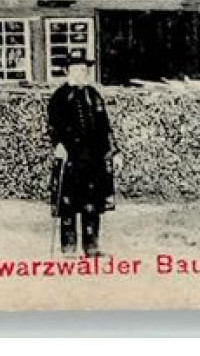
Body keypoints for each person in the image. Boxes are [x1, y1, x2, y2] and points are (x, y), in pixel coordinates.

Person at [47, 53, 121, 256]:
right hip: (71, 157)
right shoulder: (60, 97)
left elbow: (105, 126)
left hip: (93, 158)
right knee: (68, 204)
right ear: (67, 71)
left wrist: (114, 152)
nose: (82, 73)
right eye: (77, 69)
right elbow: (53, 125)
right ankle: (69, 248)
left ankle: (92, 247)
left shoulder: (93, 95)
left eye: (84, 69)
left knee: (92, 204)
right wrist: (58, 145)